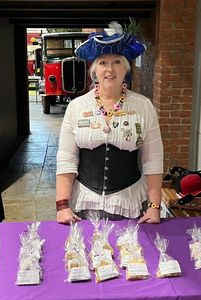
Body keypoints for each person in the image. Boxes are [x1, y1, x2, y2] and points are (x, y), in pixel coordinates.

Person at [55, 22, 164, 224]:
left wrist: (154, 206)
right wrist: (62, 206)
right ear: (94, 70)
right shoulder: (76, 107)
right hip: (84, 205)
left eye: (117, 62)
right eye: (103, 62)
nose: (110, 69)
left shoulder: (143, 106)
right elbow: (66, 158)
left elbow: (153, 160)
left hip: (130, 204)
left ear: (126, 70)